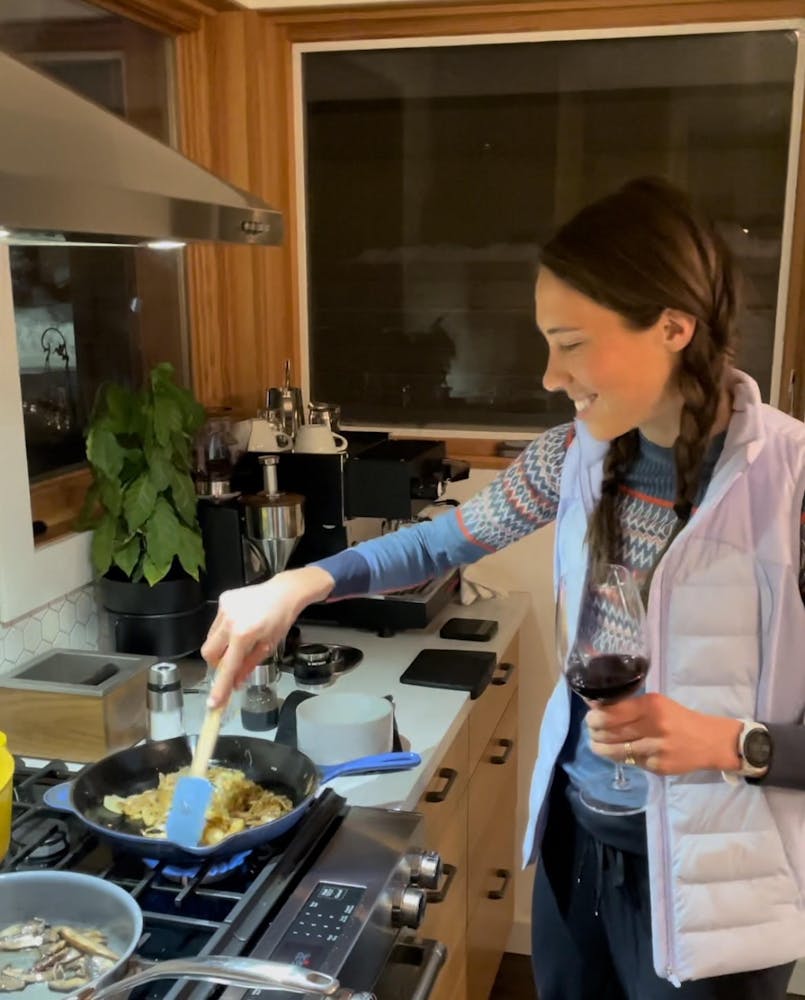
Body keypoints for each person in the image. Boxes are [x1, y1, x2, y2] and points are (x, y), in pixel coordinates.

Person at [201, 177, 805, 999]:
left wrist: (731, 743)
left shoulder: (790, 483)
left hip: (712, 894)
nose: (550, 375)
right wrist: (298, 584)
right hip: (574, 847)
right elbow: (440, 541)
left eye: (571, 343)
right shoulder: (576, 455)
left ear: (672, 327)